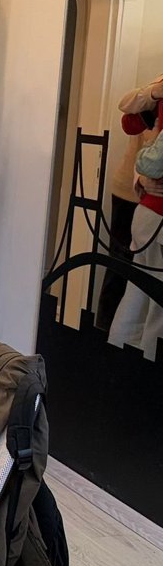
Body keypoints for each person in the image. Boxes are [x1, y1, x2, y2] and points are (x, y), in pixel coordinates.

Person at [97, 73, 163, 330]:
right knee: (121, 268)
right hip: (132, 193)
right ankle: (105, 334)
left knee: (137, 283)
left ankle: (115, 339)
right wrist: (155, 92)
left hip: (147, 199)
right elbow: (127, 114)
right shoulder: (154, 91)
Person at [108, 93, 163, 361]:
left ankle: (116, 360)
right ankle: (145, 374)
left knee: (137, 291)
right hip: (157, 216)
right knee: (158, 308)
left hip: (147, 211)